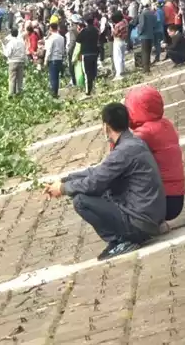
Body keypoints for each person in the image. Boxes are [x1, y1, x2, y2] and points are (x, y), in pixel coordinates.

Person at [44, 103, 166, 260]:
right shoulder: (133, 143)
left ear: (106, 127)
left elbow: (94, 183)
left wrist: (63, 189)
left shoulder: (123, 151)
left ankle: (121, 241)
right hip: (150, 218)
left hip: (140, 223)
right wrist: (64, 180)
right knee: (102, 190)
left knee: (81, 200)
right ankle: (127, 237)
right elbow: (99, 172)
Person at [125, 85, 185, 230]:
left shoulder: (145, 134)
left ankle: (145, 225)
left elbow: (121, 156)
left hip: (162, 200)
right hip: (177, 197)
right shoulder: (166, 124)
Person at [71, 16, 102, 96]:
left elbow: (78, 45)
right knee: (93, 71)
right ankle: (94, 87)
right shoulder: (96, 30)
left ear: (86, 22)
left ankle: (88, 91)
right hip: (94, 53)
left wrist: (74, 57)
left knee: (87, 73)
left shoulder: (83, 32)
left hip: (86, 54)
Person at [44, 21, 66, 98]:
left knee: (53, 77)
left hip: (53, 59)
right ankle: (56, 92)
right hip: (59, 58)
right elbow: (63, 49)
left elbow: (49, 50)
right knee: (57, 78)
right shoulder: (61, 38)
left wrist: (45, 60)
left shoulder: (51, 38)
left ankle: (54, 94)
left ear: (51, 29)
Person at [2, 26, 27, 97]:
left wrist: (4, 48)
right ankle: (19, 93)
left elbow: (7, 54)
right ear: (17, 33)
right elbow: (24, 52)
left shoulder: (11, 43)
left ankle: (11, 94)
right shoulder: (22, 42)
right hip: (21, 61)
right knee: (20, 79)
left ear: (11, 34)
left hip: (13, 62)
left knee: (12, 79)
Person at [110, 10, 129, 81]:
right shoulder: (124, 22)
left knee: (117, 58)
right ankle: (123, 70)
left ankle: (119, 73)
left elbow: (114, 34)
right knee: (122, 57)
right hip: (123, 41)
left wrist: (112, 28)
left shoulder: (117, 25)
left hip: (117, 41)